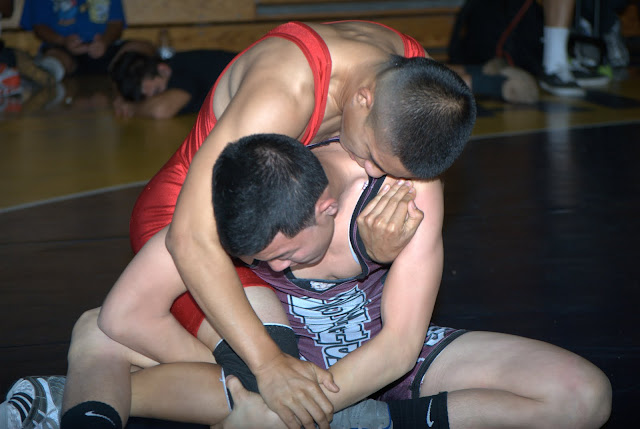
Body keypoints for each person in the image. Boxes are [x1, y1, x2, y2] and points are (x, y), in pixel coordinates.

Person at [4, 133, 611, 429]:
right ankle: (83, 392)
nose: (276, 270)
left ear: (326, 208)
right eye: (259, 259)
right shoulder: (226, 210)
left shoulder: (398, 197)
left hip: (385, 353)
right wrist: (261, 377)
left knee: (581, 396)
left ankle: (86, 392)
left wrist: (294, 404)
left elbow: (400, 344)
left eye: (288, 256)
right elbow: (121, 316)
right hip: (273, 356)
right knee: (100, 333)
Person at [106, 19, 476, 429]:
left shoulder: (415, 79)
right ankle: (99, 371)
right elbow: (190, 237)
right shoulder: (283, 93)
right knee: (269, 373)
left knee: (289, 382)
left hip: (274, 229)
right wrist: (267, 364)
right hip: (190, 219)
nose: (373, 172)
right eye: (372, 156)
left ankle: (115, 357)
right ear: (363, 99)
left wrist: (382, 253)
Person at [19, 0, 155, 81]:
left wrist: (104, 41)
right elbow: (39, 27)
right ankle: (47, 76)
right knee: (53, 59)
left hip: (106, 49)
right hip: (63, 49)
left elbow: (116, 24)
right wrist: (63, 41)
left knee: (144, 48)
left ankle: (122, 75)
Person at [109, 49, 237, 119]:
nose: (155, 100)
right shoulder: (173, 67)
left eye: (157, 92)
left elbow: (161, 110)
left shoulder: (181, 70)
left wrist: (132, 108)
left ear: (163, 70)